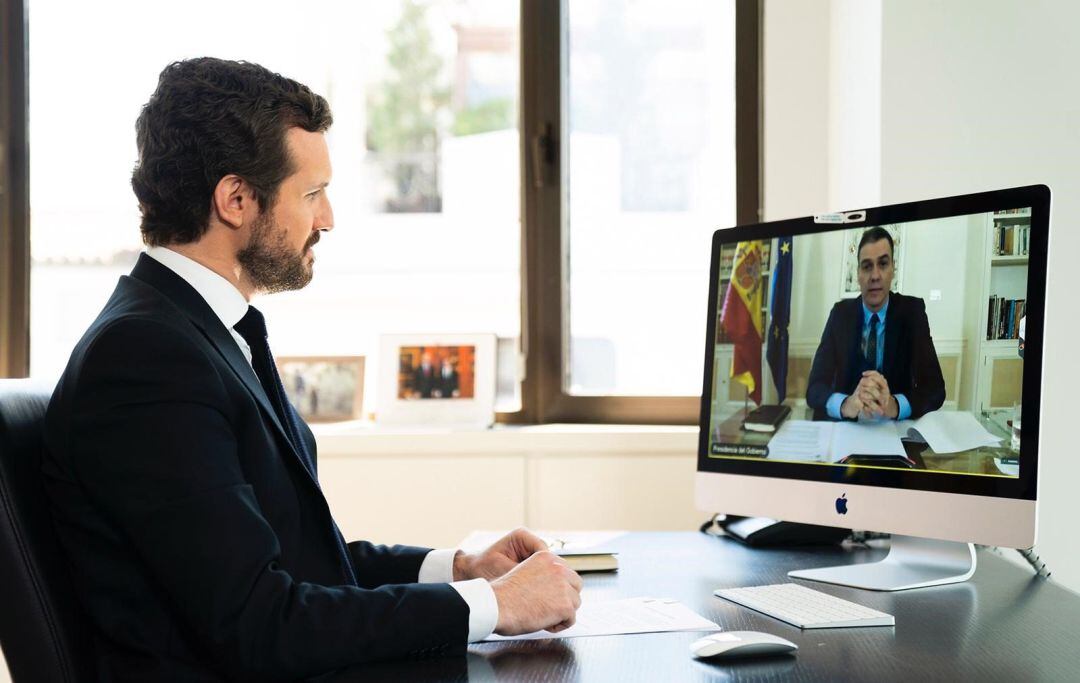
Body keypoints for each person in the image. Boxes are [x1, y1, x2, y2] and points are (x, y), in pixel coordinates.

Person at [41, 58, 581, 681]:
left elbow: (294, 565)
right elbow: (262, 622)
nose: (327, 219)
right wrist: (496, 606)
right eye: (312, 193)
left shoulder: (198, 332)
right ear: (236, 199)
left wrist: (461, 570)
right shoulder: (145, 359)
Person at [806, 227, 946, 421]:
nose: (875, 276)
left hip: (893, 430)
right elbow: (814, 388)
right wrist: (846, 404)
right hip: (848, 429)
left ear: (892, 269)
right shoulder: (840, 314)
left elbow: (935, 390)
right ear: (858, 274)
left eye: (883, 264)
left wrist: (895, 405)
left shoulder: (912, 312)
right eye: (867, 266)